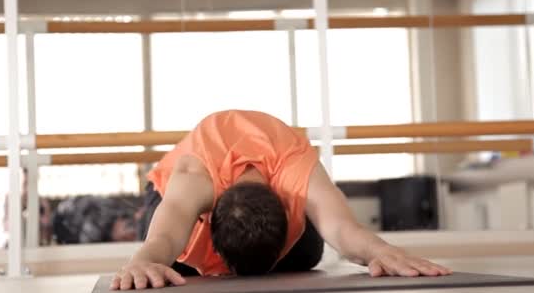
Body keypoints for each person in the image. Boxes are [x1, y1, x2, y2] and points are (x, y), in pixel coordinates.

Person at [111, 110, 451, 290]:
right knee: (163, 263)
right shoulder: (193, 179)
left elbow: (343, 230)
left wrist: (381, 251)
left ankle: (275, 252)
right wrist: (142, 261)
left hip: (274, 207)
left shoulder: (293, 163)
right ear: (210, 215)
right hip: (171, 201)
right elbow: (165, 237)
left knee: (307, 254)